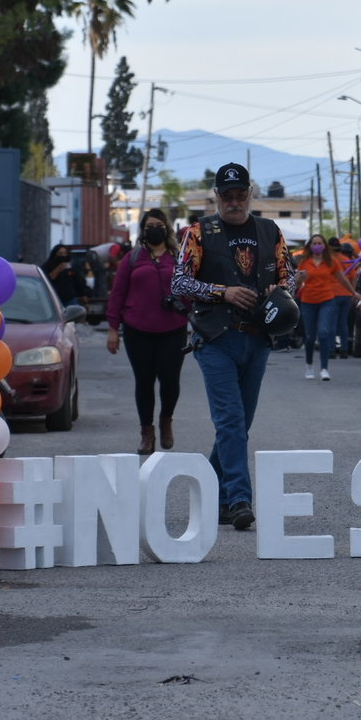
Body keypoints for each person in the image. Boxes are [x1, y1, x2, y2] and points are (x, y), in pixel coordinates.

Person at [171, 162, 294, 531]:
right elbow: (179, 283)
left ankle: (213, 496)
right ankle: (240, 499)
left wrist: (280, 290)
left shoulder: (270, 230)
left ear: (250, 195)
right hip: (215, 338)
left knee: (239, 425)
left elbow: (289, 276)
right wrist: (222, 292)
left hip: (257, 337)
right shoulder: (198, 232)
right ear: (217, 197)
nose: (234, 201)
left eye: (240, 194)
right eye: (228, 196)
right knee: (230, 421)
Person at [106, 209, 190, 456]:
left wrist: (189, 310)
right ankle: (146, 432)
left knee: (170, 380)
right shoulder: (132, 258)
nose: (155, 229)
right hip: (137, 330)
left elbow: (191, 290)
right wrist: (113, 329)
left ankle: (166, 420)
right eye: (150, 225)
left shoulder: (179, 258)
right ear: (143, 231)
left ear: (167, 229)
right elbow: (117, 294)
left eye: (159, 225)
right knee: (144, 381)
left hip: (173, 329)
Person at [295, 233, 356, 380]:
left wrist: (353, 292)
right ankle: (309, 365)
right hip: (308, 301)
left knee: (323, 332)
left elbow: (342, 279)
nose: (317, 246)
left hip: (327, 300)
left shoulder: (331, 262)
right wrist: (300, 278)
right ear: (310, 246)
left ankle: (324, 368)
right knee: (310, 337)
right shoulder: (305, 262)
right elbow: (297, 282)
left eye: (319, 243)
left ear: (324, 246)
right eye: (314, 243)